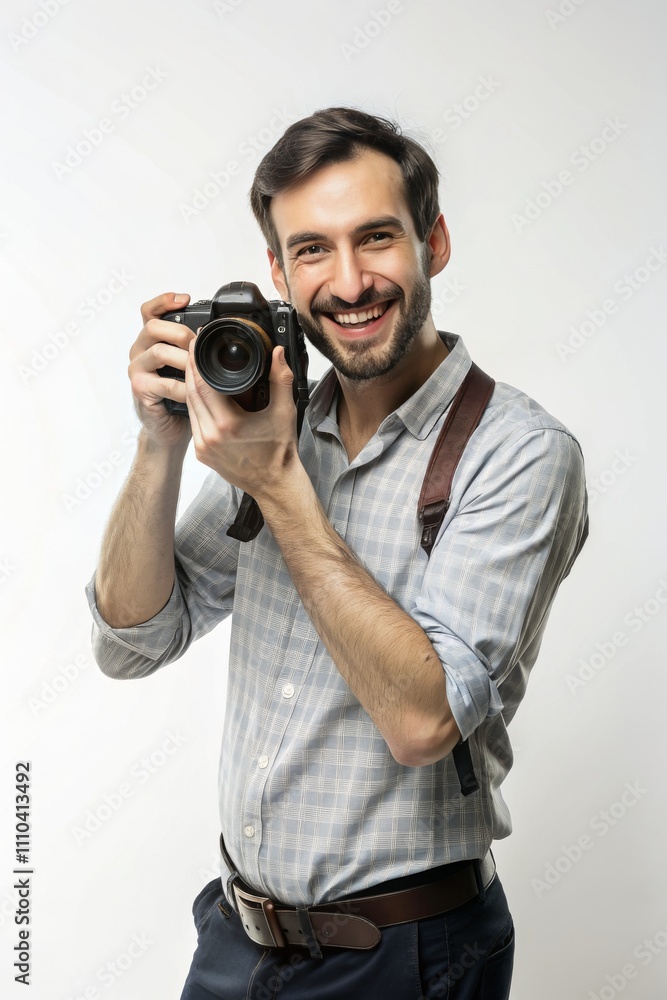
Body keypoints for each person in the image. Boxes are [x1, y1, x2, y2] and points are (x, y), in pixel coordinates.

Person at [86, 106, 588, 999]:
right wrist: (160, 443)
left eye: (377, 237)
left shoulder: (518, 453)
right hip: (236, 939)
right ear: (279, 274)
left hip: (405, 956)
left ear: (433, 242)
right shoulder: (278, 425)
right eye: (313, 249)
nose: (349, 282)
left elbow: (423, 723)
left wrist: (278, 486)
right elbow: (131, 641)